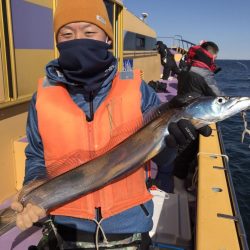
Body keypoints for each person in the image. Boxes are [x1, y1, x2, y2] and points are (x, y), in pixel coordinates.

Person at [10, 1, 211, 249]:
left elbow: (162, 160)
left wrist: (173, 145)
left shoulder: (135, 88)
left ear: (107, 38)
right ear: (57, 41)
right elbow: (36, 155)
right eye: (67, 34)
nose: (78, 40)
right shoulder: (42, 96)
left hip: (130, 230)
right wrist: (34, 192)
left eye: (89, 32)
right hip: (68, 232)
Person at [173, 41, 222, 197]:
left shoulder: (187, 65)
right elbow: (218, 97)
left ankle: (183, 182)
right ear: (212, 56)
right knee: (185, 152)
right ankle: (178, 189)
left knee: (181, 149)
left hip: (181, 112)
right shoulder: (204, 73)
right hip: (195, 118)